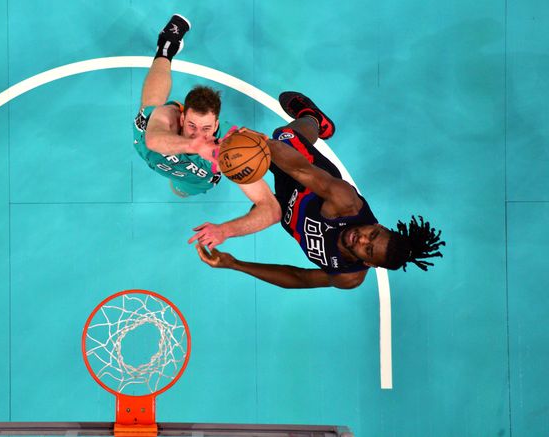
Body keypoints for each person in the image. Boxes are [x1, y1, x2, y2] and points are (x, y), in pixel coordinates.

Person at [192, 92, 446, 289]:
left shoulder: (349, 277)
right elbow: (300, 169)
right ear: (379, 227)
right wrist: (262, 144)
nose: (363, 238)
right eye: (373, 233)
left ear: (368, 263)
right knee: (284, 136)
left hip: (288, 209)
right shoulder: (345, 203)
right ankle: (314, 119)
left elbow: (298, 278)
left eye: (368, 249)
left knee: (263, 208)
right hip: (307, 180)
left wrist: (234, 264)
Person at [134, 14, 280, 236]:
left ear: (217, 124)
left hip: (189, 179)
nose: (197, 134)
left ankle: (179, 186)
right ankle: (166, 47)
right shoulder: (169, 116)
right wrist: (195, 146)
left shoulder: (230, 153)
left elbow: (271, 210)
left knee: (180, 190)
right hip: (145, 147)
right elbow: (153, 140)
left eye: (206, 128)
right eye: (191, 125)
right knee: (151, 105)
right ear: (182, 118)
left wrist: (225, 231)